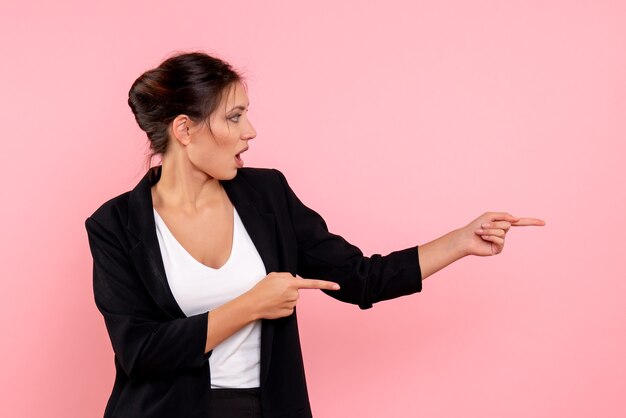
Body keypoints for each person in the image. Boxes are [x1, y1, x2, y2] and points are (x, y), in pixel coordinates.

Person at [84, 51, 545, 418]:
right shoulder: (114, 226)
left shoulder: (268, 195)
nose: (251, 131)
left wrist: (460, 241)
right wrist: (251, 305)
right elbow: (139, 352)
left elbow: (361, 277)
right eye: (234, 117)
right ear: (184, 129)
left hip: (266, 408)